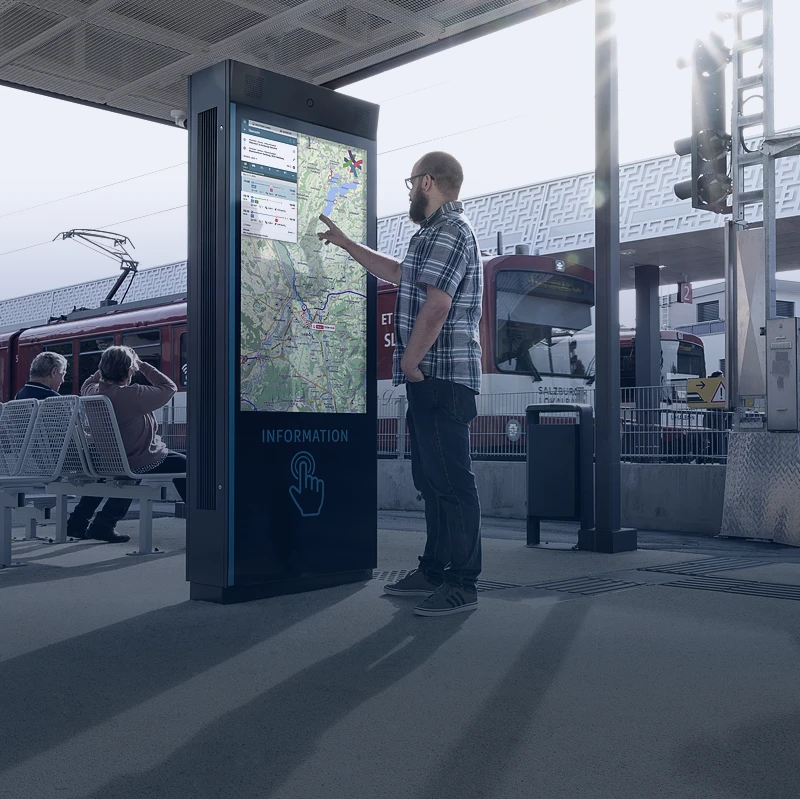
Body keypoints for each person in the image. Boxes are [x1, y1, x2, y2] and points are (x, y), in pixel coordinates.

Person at [319, 151, 483, 617]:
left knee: (452, 482)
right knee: (431, 482)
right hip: (431, 376)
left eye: (411, 183)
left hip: (441, 375)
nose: (409, 191)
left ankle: (462, 583)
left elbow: (438, 304)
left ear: (428, 181)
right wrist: (348, 243)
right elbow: (397, 273)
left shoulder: (451, 230)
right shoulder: (430, 235)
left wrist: (411, 364)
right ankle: (433, 569)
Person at [67, 346, 186, 543]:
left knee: (122, 475)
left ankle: (82, 522)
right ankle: (201, 523)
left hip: (110, 459)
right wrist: (141, 364)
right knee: (187, 466)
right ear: (129, 371)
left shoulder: (91, 391)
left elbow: (89, 381)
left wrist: (106, 367)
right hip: (138, 458)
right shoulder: (133, 394)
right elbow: (169, 387)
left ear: (103, 370)